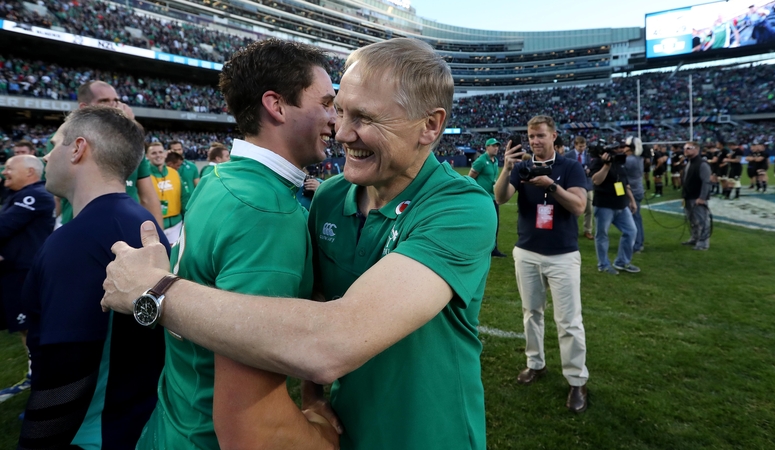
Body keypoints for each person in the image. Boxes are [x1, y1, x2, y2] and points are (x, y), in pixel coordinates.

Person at [101, 37, 495, 450]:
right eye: (339, 109)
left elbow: (334, 340)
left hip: (430, 434)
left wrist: (154, 292)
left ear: (430, 125)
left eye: (364, 117)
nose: (341, 131)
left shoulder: (461, 207)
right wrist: (312, 396)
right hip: (346, 427)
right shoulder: (327, 197)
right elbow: (313, 306)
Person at [18, 106, 169, 449]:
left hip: (92, 436)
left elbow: (64, 375)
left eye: (55, 144)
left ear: (78, 148)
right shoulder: (143, 225)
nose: (45, 154)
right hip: (140, 422)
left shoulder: (74, 242)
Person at [494, 115, 589, 413]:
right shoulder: (522, 166)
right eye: (531, 136)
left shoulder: (570, 167)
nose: (535, 141)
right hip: (527, 252)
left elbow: (578, 206)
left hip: (562, 254)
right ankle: (536, 364)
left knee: (569, 321)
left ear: (553, 137)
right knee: (531, 313)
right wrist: (507, 168)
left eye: (540, 136)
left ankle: (576, 381)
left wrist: (551, 186)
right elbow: (499, 197)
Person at [57, 80, 163, 228]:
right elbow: (54, 198)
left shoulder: (131, 144)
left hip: (126, 230)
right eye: (104, 101)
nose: (113, 105)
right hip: (80, 230)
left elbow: (148, 197)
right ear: (84, 108)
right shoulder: (64, 142)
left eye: (116, 100)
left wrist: (159, 239)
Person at [0, 155, 54, 403]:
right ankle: (36, 377)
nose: (5, 171)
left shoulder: (35, 195)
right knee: (25, 330)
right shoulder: (20, 196)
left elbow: (3, 226)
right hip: (16, 273)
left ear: (30, 172)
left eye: (10, 168)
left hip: (26, 275)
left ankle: (44, 385)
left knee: (33, 330)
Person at [589, 142, 639, 275]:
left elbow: (625, 183)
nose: (620, 150)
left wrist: (632, 200)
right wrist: (606, 165)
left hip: (621, 204)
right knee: (602, 235)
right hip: (604, 204)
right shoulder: (598, 162)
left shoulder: (620, 162)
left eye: (620, 148)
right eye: (616, 148)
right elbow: (596, 180)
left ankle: (622, 262)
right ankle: (603, 264)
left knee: (631, 231)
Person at [469, 137, 504, 257]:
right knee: (482, 223)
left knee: (495, 223)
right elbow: (470, 177)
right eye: (493, 146)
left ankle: (493, 248)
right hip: (482, 197)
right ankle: (479, 247)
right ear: (487, 147)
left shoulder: (495, 161)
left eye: (497, 146)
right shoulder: (481, 160)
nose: (496, 148)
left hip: (493, 196)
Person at [145, 142, 184, 244]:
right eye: (153, 153)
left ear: (165, 154)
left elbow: (184, 197)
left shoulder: (174, 172)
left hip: (176, 225)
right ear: (147, 156)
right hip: (153, 226)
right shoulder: (143, 175)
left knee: (175, 258)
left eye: (160, 152)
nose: (158, 155)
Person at [681, 141, 712, 250]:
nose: (686, 150)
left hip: (697, 197)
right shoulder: (689, 163)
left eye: (689, 148)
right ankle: (695, 238)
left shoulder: (702, 164)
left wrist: (702, 197)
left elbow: (706, 182)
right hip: (688, 196)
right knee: (692, 220)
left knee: (702, 221)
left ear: (697, 150)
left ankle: (703, 243)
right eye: (685, 148)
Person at [565, 136, 594, 239]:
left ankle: (588, 230)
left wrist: (589, 169)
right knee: (574, 209)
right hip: (573, 185)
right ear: (575, 145)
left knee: (589, 209)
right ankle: (571, 229)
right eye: (580, 146)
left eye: (584, 146)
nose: (582, 148)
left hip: (587, 184)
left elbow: (593, 166)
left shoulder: (589, 155)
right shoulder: (568, 156)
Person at [624, 137, 645, 253]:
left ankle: (637, 244)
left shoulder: (630, 160)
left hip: (632, 191)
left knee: (633, 219)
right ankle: (639, 242)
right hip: (637, 190)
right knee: (637, 218)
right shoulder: (638, 158)